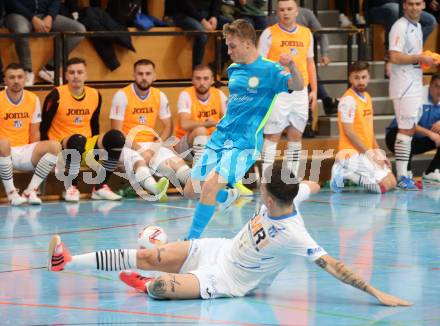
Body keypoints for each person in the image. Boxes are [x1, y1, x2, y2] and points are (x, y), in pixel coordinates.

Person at [48, 162, 412, 307]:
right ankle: (66, 261)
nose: (257, 189)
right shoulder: (290, 194)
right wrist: (314, 183)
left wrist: (376, 292)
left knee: (159, 289)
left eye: (261, 188)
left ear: (270, 195)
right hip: (216, 249)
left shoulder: (294, 233)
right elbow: (310, 184)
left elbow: (334, 266)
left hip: (224, 279)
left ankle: (147, 282)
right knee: (148, 254)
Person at [181, 18, 303, 240]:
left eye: (232, 45)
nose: (229, 51)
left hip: (244, 143)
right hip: (220, 137)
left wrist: (292, 66)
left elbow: (298, 85)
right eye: (227, 45)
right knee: (190, 190)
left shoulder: (271, 70)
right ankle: (226, 195)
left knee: (208, 188)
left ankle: (190, 242)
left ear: (248, 43)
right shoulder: (233, 69)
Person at [40, 57, 123, 202]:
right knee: (77, 139)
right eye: (72, 72)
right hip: (61, 146)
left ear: (86, 75)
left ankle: (100, 187)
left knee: (117, 138)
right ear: (65, 75)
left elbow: (94, 125)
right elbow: (43, 126)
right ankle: (71, 187)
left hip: (85, 145)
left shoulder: (95, 94)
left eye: (80, 72)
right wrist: (47, 154)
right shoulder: (56, 95)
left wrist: (98, 150)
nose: (76, 76)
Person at [110, 59, 191, 196]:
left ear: (154, 76)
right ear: (133, 76)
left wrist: (155, 147)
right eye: (140, 74)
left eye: (148, 74)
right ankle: (155, 189)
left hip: (152, 143)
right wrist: (141, 150)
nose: (144, 77)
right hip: (127, 144)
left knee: (176, 162)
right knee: (139, 161)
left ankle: (201, 185)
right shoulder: (122, 95)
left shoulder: (159, 95)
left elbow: (167, 126)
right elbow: (117, 132)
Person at [258, 0, 314, 177]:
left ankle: (292, 179)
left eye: (289, 9)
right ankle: (267, 179)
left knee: (296, 135)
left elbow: (310, 62)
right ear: (277, 12)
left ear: (297, 11)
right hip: (278, 91)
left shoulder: (306, 33)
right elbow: (259, 65)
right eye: (282, 10)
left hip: (300, 91)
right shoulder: (268, 34)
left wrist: (314, 90)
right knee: (273, 135)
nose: (286, 13)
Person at [388, 0, 439, 190]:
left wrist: (425, 59)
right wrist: (420, 58)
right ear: (404, 6)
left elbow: (411, 57)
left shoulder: (417, 26)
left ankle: (406, 174)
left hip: (413, 83)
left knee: (408, 128)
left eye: (418, 3)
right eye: (410, 4)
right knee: (406, 129)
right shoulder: (399, 27)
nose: (414, 8)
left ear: (424, 5)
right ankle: (402, 176)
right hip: (403, 85)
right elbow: (394, 56)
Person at [330, 61, 396, 194]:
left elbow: (369, 130)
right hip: (350, 154)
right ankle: (344, 171)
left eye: (364, 77)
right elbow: (349, 132)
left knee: (392, 182)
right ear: (350, 79)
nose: (360, 81)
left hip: (366, 152)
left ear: (369, 77)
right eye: (356, 77)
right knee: (382, 188)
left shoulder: (367, 97)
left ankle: (349, 172)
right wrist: (370, 154)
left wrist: (378, 152)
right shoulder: (347, 101)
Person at [0, 63, 61, 205]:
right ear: (5, 80)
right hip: (3, 151)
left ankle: (30, 191)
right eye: (12, 77)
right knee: (4, 143)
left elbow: (35, 133)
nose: (16, 80)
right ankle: (11, 193)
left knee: (54, 146)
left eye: (20, 77)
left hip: (23, 150)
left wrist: (42, 160)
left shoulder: (33, 99)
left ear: (25, 79)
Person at [4, 0, 86, 85]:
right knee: (21, 31)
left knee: (79, 30)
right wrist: (32, 18)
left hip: (45, 15)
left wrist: (50, 16)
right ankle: (26, 71)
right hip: (19, 14)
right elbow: (10, 2)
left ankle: (50, 69)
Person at [386, 72, 440, 185]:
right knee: (407, 134)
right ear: (430, 85)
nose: (439, 91)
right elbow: (408, 124)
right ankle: (405, 174)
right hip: (395, 137)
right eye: (437, 86)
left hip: (419, 140)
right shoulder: (418, 96)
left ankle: (432, 171)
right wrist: (431, 134)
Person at [175, 64, 227, 164]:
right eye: (198, 78)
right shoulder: (186, 94)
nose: (202, 82)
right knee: (200, 130)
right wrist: (211, 123)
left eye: (205, 78)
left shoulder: (219, 94)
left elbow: (230, 120)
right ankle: (200, 169)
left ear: (212, 80)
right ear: (193, 80)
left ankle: (203, 165)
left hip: (209, 141)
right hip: (185, 146)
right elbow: (185, 124)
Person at [165, 0, 231, 68]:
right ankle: (197, 70)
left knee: (232, 28)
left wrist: (214, 16)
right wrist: (202, 20)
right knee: (202, 33)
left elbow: (217, 2)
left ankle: (216, 66)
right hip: (184, 14)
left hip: (207, 14)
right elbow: (185, 5)